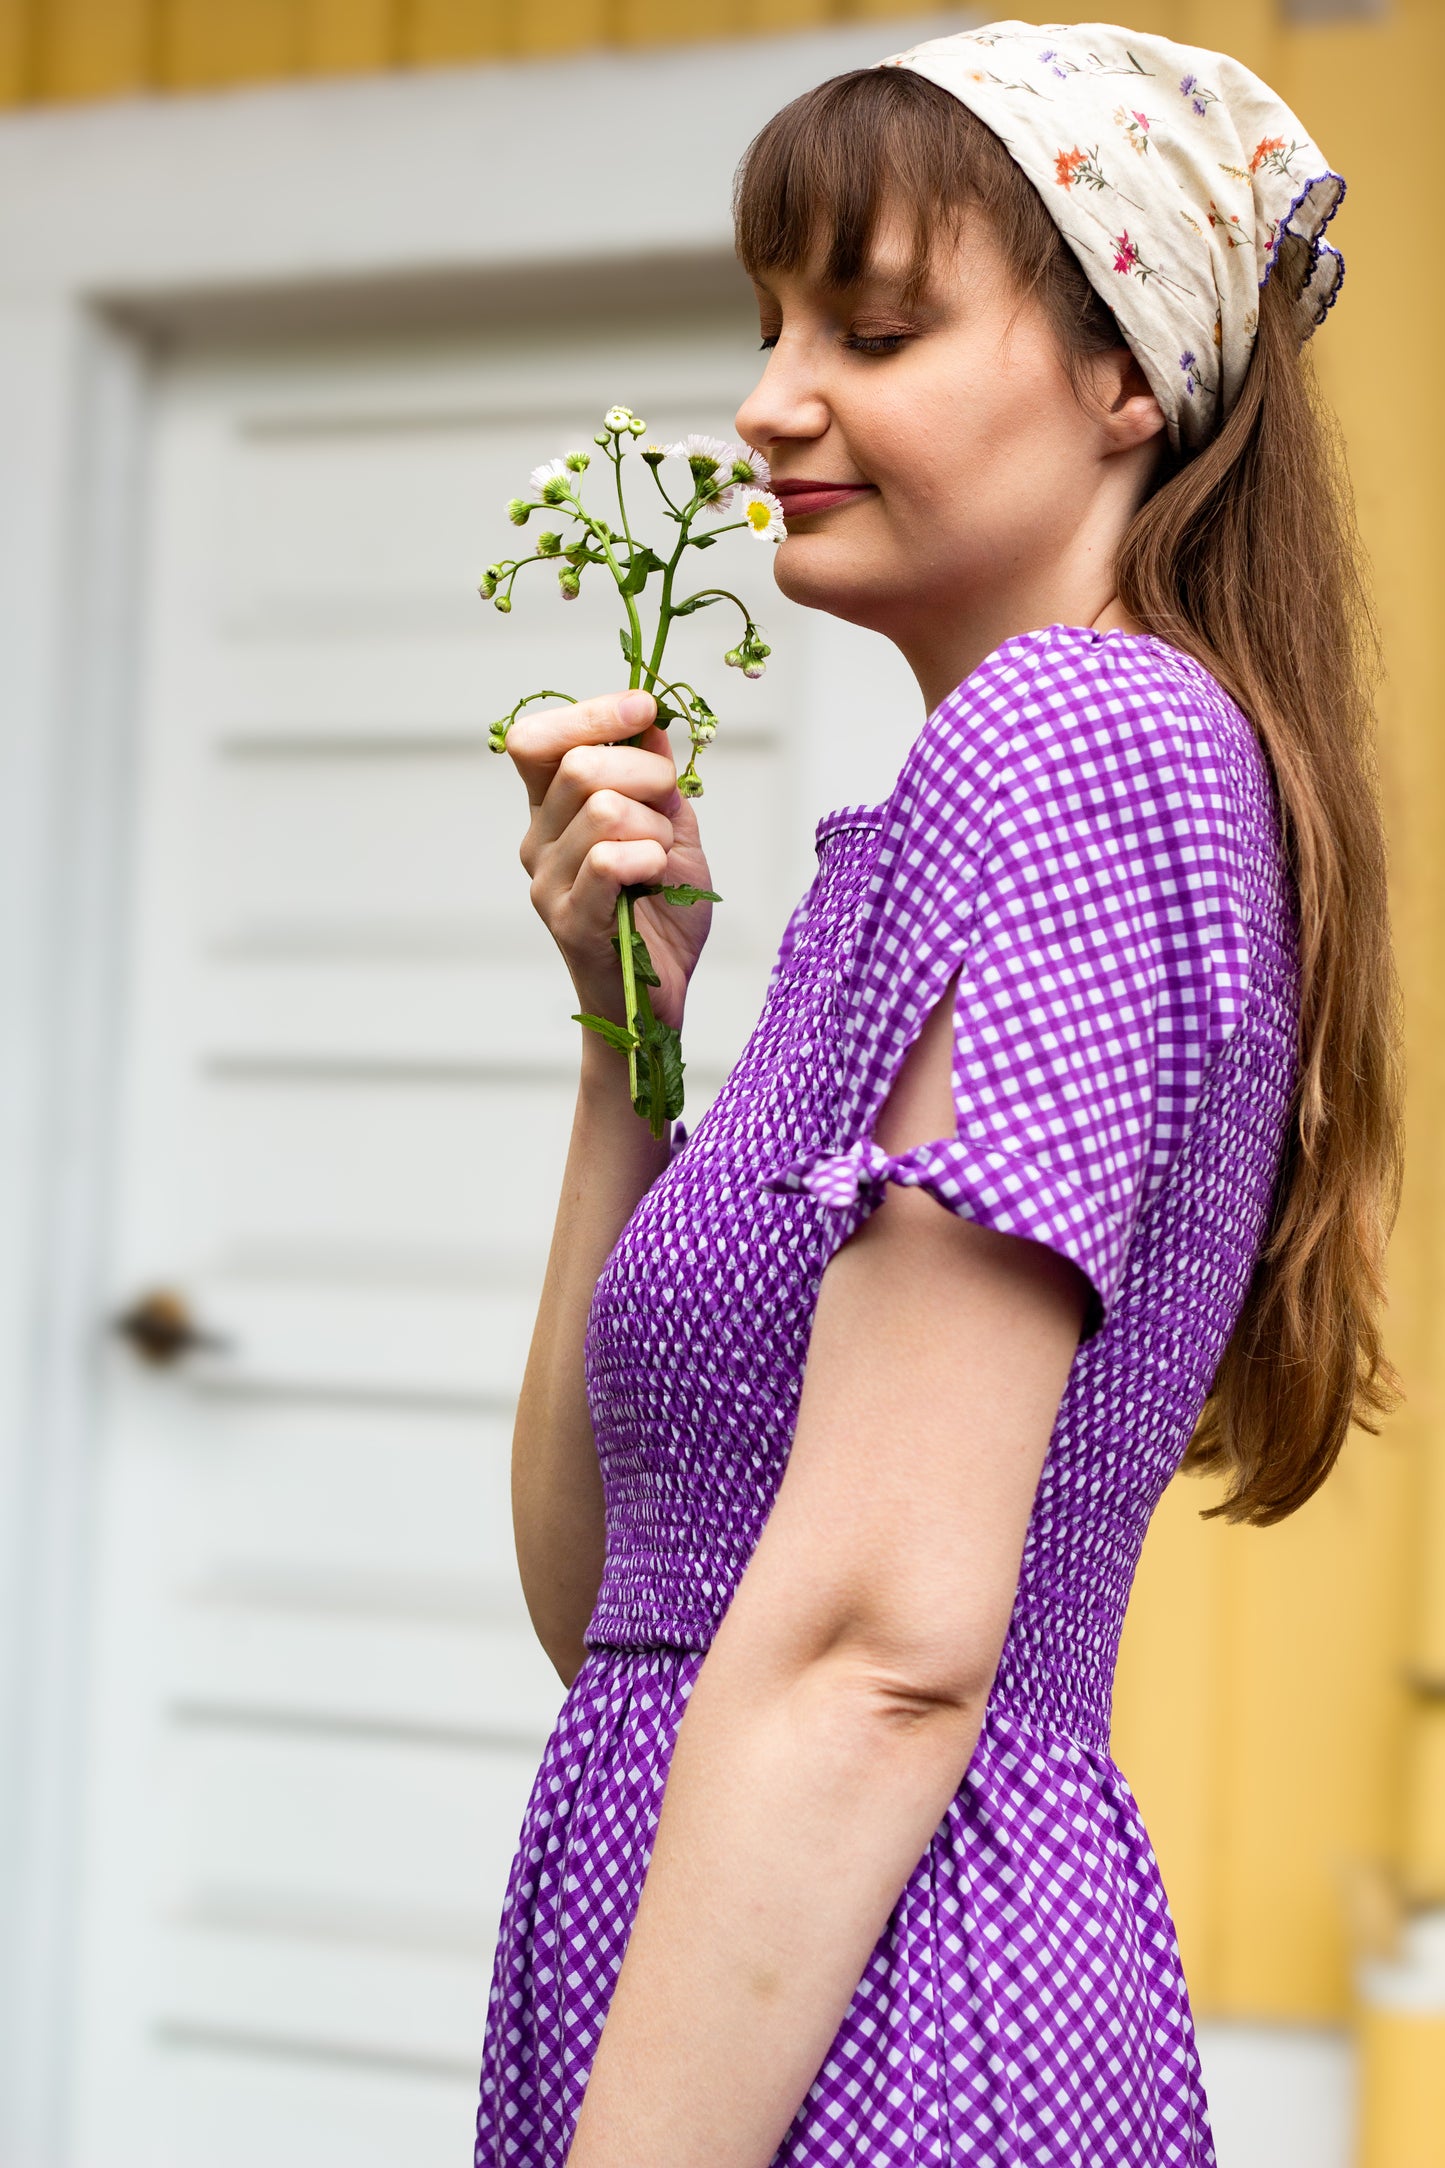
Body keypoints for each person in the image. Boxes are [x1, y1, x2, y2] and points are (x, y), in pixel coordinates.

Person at [475, 21, 1404, 2168]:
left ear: (1128, 381)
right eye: (772, 321)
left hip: (887, 2026)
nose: (769, 396)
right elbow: (617, 1604)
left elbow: (887, 1650)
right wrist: (633, 1048)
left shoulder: (1078, 745)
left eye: (874, 325)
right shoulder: (916, 848)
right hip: (758, 1973)